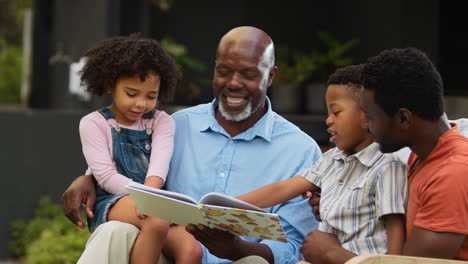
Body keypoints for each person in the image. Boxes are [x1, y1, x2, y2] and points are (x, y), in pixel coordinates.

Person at [62, 26, 322, 264]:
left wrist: (237, 249)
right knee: (113, 232)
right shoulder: (178, 124)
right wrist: (88, 178)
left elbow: (295, 244)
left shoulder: (300, 150)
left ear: (271, 75)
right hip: (167, 253)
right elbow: (128, 160)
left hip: (241, 260)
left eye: (249, 74)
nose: (233, 82)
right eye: (223, 71)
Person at [301, 47, 468, 263]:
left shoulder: (451, 174)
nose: (367, 126)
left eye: (370, 117)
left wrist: (333, 254)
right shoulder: (420, 155)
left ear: (403, 119)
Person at [236, 64, 407, 256]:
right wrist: (223, 206)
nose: (328, 120)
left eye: (336, 112)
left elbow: (395, 227)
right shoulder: (332, 160)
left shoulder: (387, 165)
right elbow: (283, 189)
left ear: (368, 115)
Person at [76, 34, 203, 264]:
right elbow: (105, 177)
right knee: (157, 220)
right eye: (131, 94)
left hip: (153, 200)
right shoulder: (93, 123)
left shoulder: (163, 122)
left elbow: (158, 168)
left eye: (151, 96)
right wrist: (148, 201)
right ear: (109, 84)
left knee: (192, 249)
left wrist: (151, 198)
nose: (141, 104)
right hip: (112, 200)